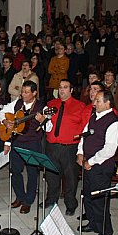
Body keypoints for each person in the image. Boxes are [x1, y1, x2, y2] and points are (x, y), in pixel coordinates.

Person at [77, 89, 118, 235]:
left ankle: (105, 233)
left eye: (98, 100)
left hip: (100, 167)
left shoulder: (114, 123)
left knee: (100, 202)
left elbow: (109, 149)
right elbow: (84, 136)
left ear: (107, 103)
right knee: (88, 197)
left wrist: (91, 161)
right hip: (87, 164)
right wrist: (80, 152)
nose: (94, 103)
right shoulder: (93, 117)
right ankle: (93, 223)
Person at [0, 80, 46, 214]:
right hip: (17, 142)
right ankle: (20, 197)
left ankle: (28, 201)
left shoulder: (42, 108)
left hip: (33, 143)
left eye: (26, 92)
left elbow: (49, 128)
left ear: (34, 93)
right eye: (22, 92)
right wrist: (5, 121)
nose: (23, 94)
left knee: (32, 173)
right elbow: (1, 113)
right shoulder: (17, 103)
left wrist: (43, 121)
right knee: (15, 171)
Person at [43, 79, 85, 215]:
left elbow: (84, 129)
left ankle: (70, 203)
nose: (62, 90)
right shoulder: (51, 104)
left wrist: (81, 150)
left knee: (71, 178)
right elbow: (46, 124)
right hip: (52, 145)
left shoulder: (80, 106)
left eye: (65, 87)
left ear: (71, 90)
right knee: (51, 175)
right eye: (60, 87)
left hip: (69, 147)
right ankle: (51, 199)